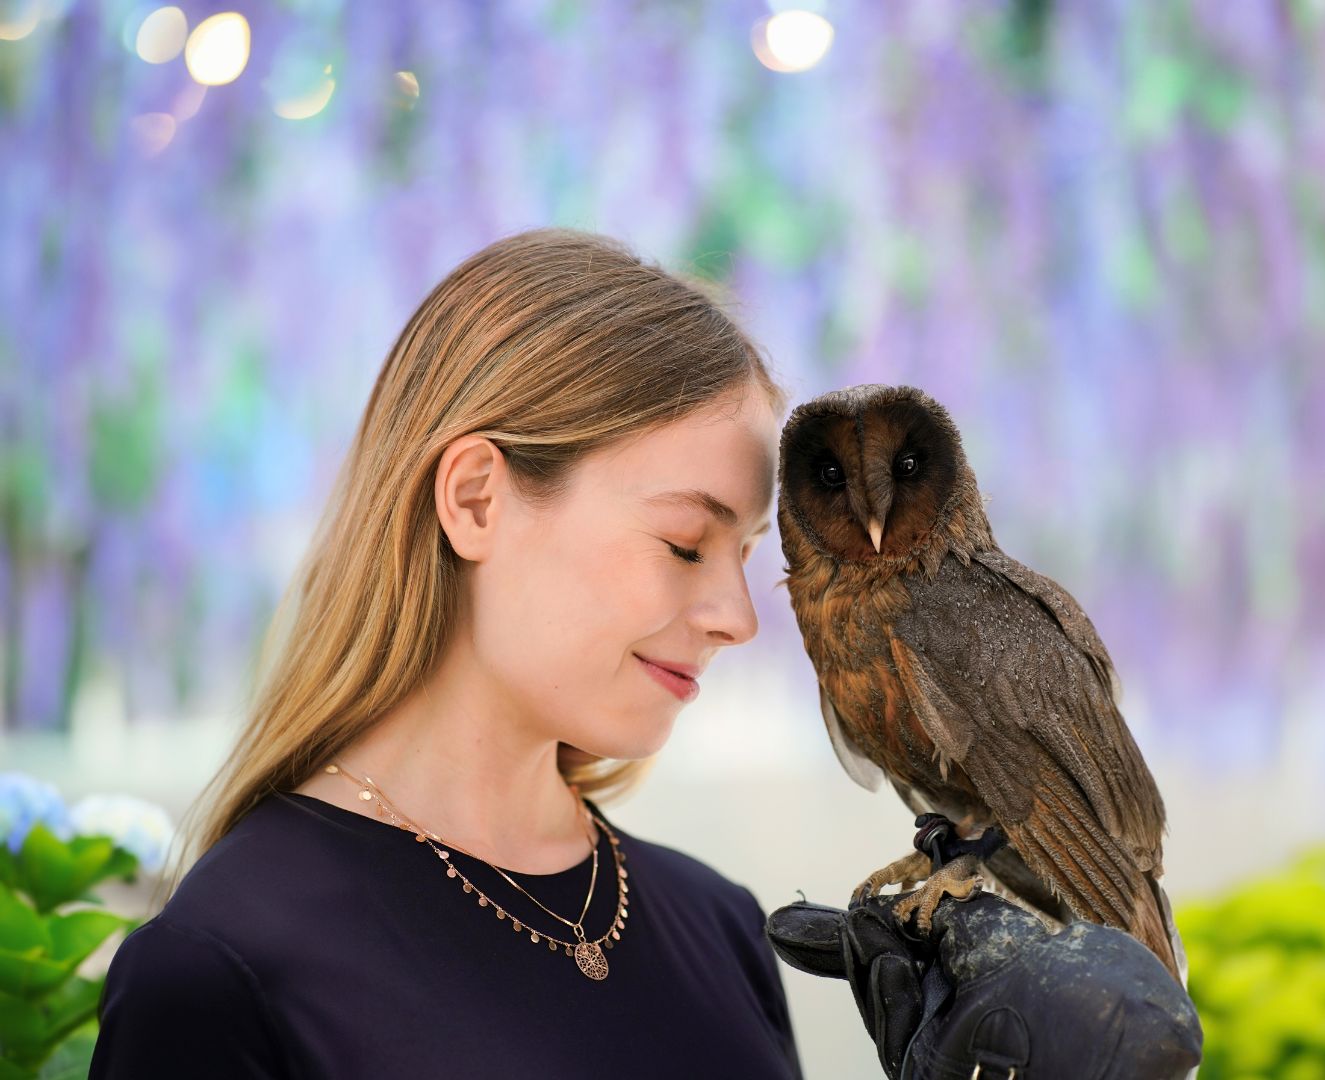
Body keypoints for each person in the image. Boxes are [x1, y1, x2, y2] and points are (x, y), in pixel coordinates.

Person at [89, 229, 803, 1078]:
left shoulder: (723, 925)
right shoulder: (224, 970)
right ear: (474, 500)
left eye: (750, 554)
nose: (738, 620)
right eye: (687, 544)